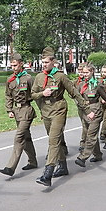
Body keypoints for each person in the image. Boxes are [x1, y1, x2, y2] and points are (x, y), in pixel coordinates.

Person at [31, 47, 88, 186]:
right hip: (46, 111)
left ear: (53, 62)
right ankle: (62, 167)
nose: (44, 64)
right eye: (42, 62)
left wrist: (86, 108)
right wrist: (42, 94)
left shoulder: (60, 76)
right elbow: (32, 95)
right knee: (58, 139)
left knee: (53, 140)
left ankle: (47, 173)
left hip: (59, 110)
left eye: (46, 62)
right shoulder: (39, 77)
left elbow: (74, 92)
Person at [0, 53, 38, 176]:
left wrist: (44, 111)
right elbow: (8, 95)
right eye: (11, 65)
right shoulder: (10, 79)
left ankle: (10, 167)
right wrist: (9, 110)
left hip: (27, 110)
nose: (13, 68)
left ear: (21, 64)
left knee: (19, 137)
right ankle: (33, 161)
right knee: (26, 137)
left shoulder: (28, 78)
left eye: (15, 65)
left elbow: (36, 95)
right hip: (17, 111)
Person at [75, 64, 106, 167]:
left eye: (87, 72)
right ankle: (98, 155)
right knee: (89, 134)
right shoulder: (81, 85)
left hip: (96, 112)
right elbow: (76, 97)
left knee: (91, 135)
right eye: (83, 72)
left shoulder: (97, 85)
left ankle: (83, 157)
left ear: (92, 72)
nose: (85, 75)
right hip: (85, 112)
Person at [74, 62, 87, 152]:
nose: (81, 73)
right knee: (84, 124)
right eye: (79, 71)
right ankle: (84, 142)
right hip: (80, 106)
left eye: (82, 71)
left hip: (88, 106)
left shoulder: (89, 81)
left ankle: (84, 143)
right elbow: (72, 94)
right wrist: (76, 102)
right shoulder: (76, 82)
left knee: (86, 125)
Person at [98, 64, 106, 141]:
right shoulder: (99, 80)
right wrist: (100, 99)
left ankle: (103, 133)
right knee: (101, 117)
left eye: (105, 72)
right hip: (100, 102)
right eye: (102, 72)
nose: (103, 73)